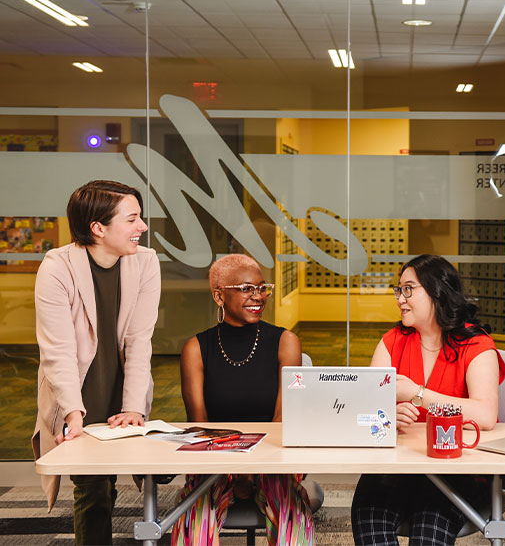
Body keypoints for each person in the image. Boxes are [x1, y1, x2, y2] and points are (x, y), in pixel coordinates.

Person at [32, 180, 161, 544]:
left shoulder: (146, 263)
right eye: (133, 219)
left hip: (124, 391)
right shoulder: (57, 268)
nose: (143, 227)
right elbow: (57, 351)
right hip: (77, 394)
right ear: (98, 228)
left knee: (112, 482)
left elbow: (139, 341)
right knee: (93, 490)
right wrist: (73, 413)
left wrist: (134, 406)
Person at [351, 254, 505, 546]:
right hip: (394, 465)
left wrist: (416, 394)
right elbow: (364, 410)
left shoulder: (476, 344)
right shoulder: (392, 341)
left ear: (437, 292)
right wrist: (385, 416)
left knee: (430, 530)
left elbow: (485, 415)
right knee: (369, 519)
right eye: (399, 290)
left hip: (452, 469)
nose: (400, 298)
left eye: (408, 289)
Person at [173, 254, 313, 546]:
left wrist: (253, 468)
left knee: (289, 511)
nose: (258, 296)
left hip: (274, 459)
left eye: (262, 288)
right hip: (215, 460)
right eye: (247, 289)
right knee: (195, 519)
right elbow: (199, 426)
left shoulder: (286, 342)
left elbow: (283, 419)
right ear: (219, 295)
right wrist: (234, 469)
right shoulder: (196, 349)